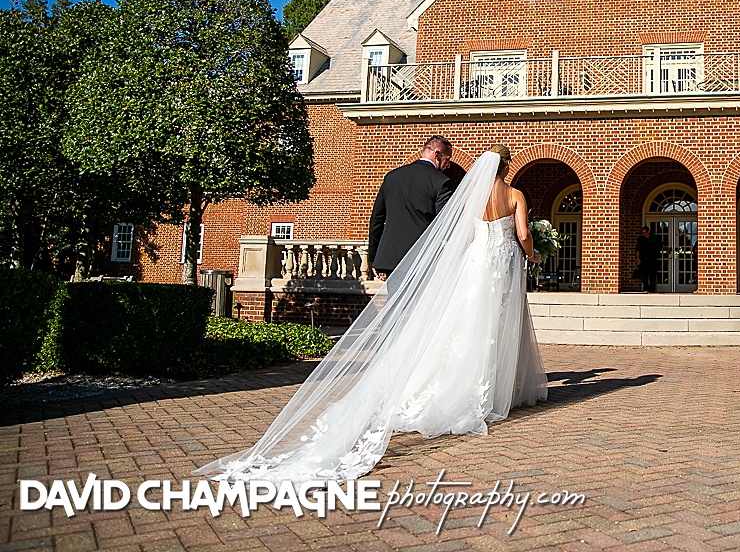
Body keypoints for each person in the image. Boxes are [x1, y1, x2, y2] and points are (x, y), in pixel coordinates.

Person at [194, 145, 548, 483]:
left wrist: (386, 256)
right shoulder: (515, 195)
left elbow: (453, 232)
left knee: (461, 323)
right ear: (506, 167)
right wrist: (531, 254)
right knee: (495, 325)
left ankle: (417, 376)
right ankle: (493, 390)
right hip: (503, 265)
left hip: (472, 264)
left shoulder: (460, 193)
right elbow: (522, 233)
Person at [368, 136, 454, 279]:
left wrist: (374, 256)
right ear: (437, 154)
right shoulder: (441, 182)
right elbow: (443, 224)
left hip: (390, 259)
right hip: (421, 258)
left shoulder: (392, 177)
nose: (448, 165)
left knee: (395, 300)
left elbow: (377, 219)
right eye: (448, 158)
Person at [634, 225, 661, 292]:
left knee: (652, 276)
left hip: (653, 260)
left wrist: (667, 250)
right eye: (643, 233)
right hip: (643, 260)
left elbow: (661, 244)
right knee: (644, 276)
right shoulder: (641, 239)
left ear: (648, 231)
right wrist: (638, 259)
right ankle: (646, 288)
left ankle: (652, 289)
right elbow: (638, 249)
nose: (644, 234)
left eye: (645, 232)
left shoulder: (654, 238)